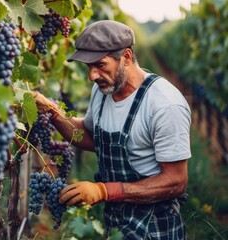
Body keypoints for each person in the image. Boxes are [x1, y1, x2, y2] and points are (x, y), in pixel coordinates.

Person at [33, 20, 191, 239]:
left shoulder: (164, 105)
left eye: (100, 65)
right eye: (89, 67)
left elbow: (176, 182)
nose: (92, 76)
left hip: (156, 225)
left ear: (126, 57)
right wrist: (53, 112)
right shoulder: (102, 91)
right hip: (115, 221)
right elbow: (91, 137)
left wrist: (104, 191)